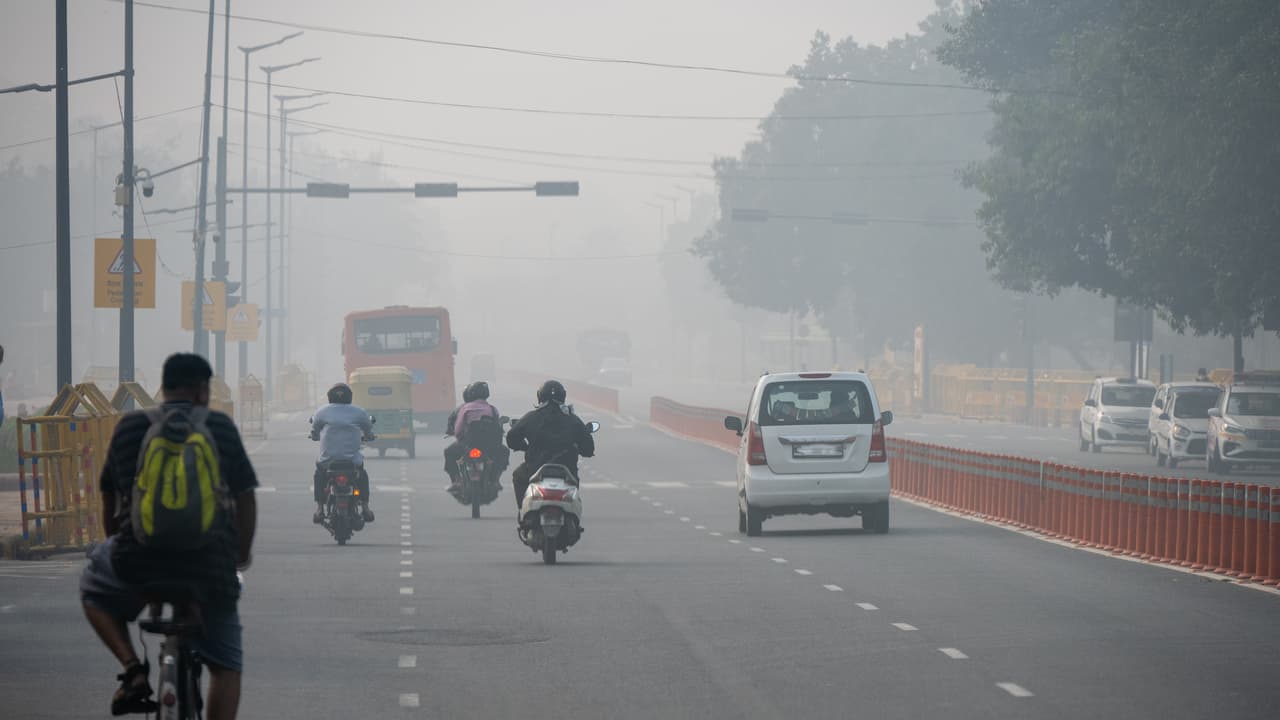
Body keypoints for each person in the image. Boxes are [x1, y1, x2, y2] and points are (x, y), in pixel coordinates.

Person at [79, 353, 257, 719]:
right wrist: (239, 555)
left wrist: (118, 543)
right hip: (210, 568)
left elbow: (109, 497)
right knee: (226, 667)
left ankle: (131, 669)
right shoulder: (220, 428)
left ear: (163, 387)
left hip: (138, 565)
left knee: (92, 591)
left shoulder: (129, 428)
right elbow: (245, 499)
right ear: (203, 391)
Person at [506, 380, 595, 521]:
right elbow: (588, 446)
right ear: (563, 396)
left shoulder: (532, 417)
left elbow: (511, 437)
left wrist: (524, 447)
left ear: (540, 396)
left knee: (518, 475)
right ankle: (573, 519)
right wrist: (583, 450)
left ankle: (523, 512)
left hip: (534, 468)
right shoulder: (572, 419)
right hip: (567, 470)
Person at [311, 383, 375, 524]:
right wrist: (369, 435)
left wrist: (315, 435)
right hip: (352, 461)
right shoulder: (359, 412)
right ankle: (365, 507)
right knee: (362, 475)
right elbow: (369, 428)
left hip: (328, 461)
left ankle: (320, 508)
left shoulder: (322, 412)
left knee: (319, 475)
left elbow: (314, 428)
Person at [443, 381, 509, 491]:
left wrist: (460, 440)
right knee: (504, 452)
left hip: (468, 445)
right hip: (488, 447)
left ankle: (457, 480)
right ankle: (495, 480)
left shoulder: (465, 409)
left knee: (449, 452)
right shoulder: (492, 409)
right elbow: (497, 428)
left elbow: (458, 429)